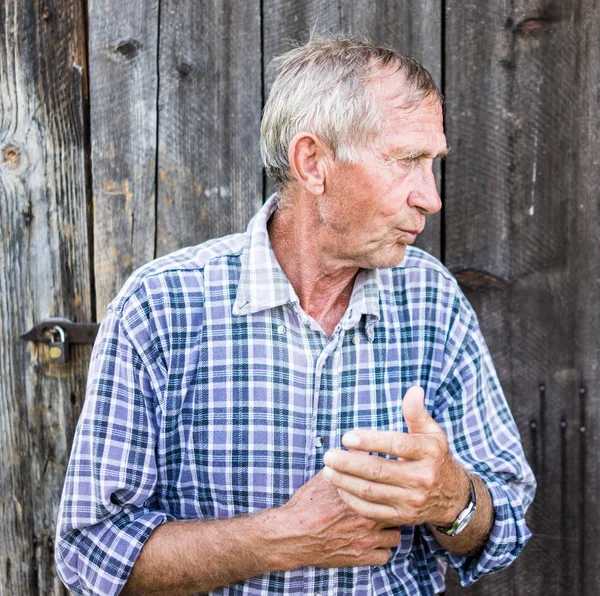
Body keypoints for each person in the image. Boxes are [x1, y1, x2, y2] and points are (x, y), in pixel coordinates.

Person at [55, 36, 536, 596]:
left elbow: (505, 526)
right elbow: (90, 555)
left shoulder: (433, 300)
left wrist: (452, 498)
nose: (430, 197)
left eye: (432, 164)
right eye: (406, 160)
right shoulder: (161, 307)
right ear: (313, 162)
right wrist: (281, 538)